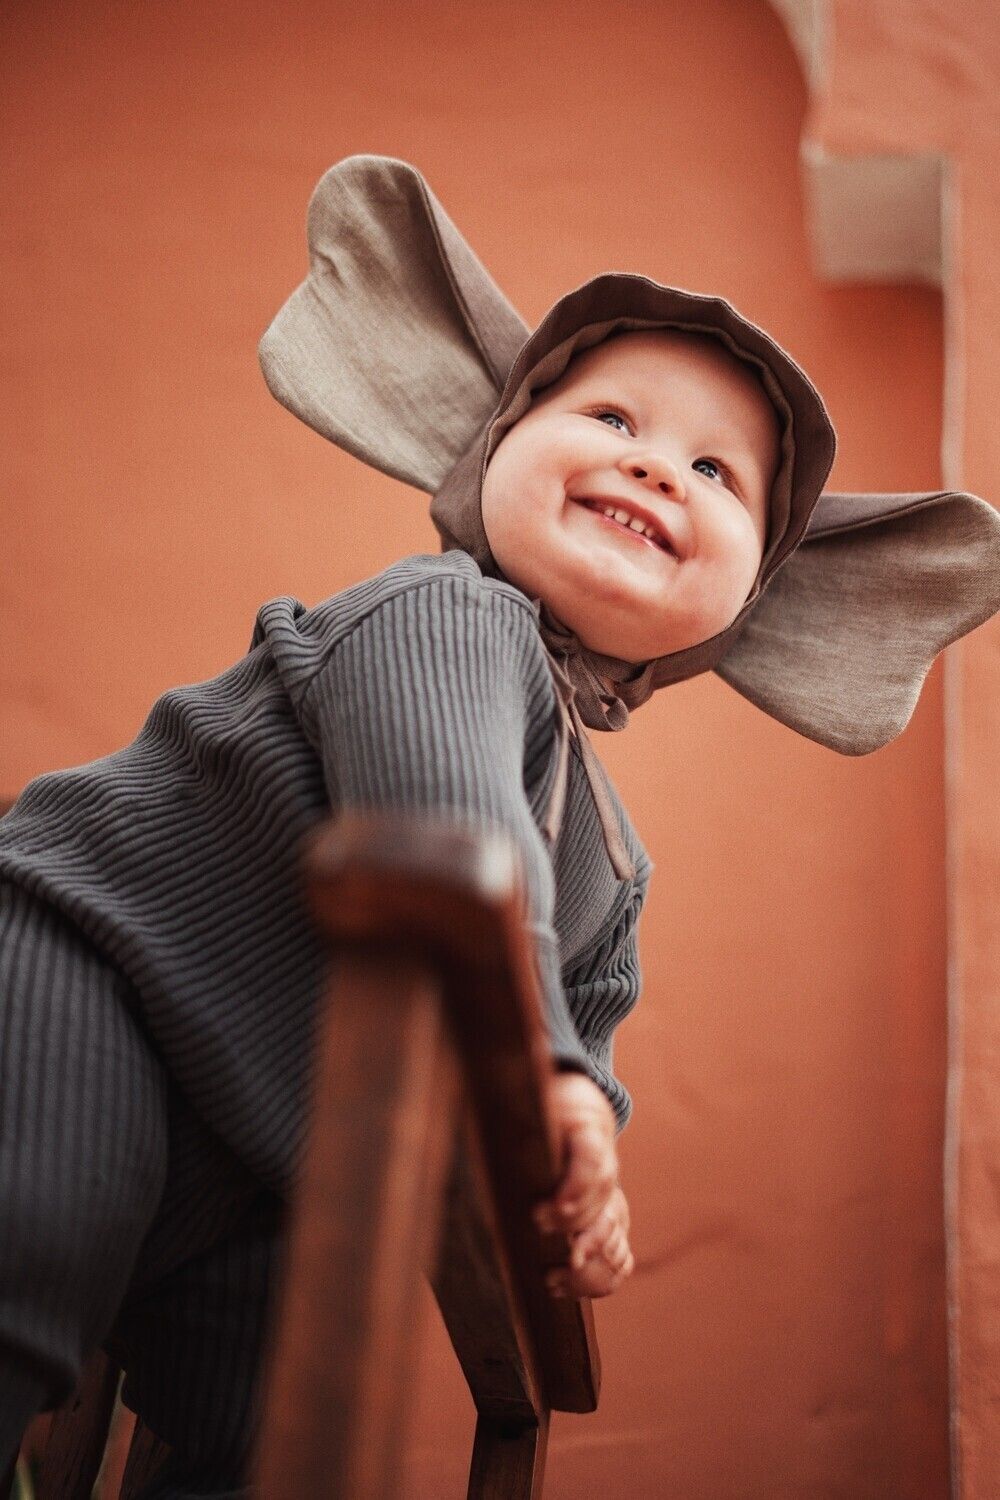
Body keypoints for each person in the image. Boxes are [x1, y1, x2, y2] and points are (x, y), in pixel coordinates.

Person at [1, 154, 998, 1494]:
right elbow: (452, 817)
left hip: (271, 1157)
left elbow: (577, 1016)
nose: (654, 466)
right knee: (28, 1245)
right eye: (611, 417)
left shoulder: (614, 868)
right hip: (96, 966)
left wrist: (581, 1136)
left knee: (274, 1434)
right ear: (494, 447)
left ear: (756, 591)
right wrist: (546, 1066)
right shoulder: (444, 612)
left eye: (715, 470)